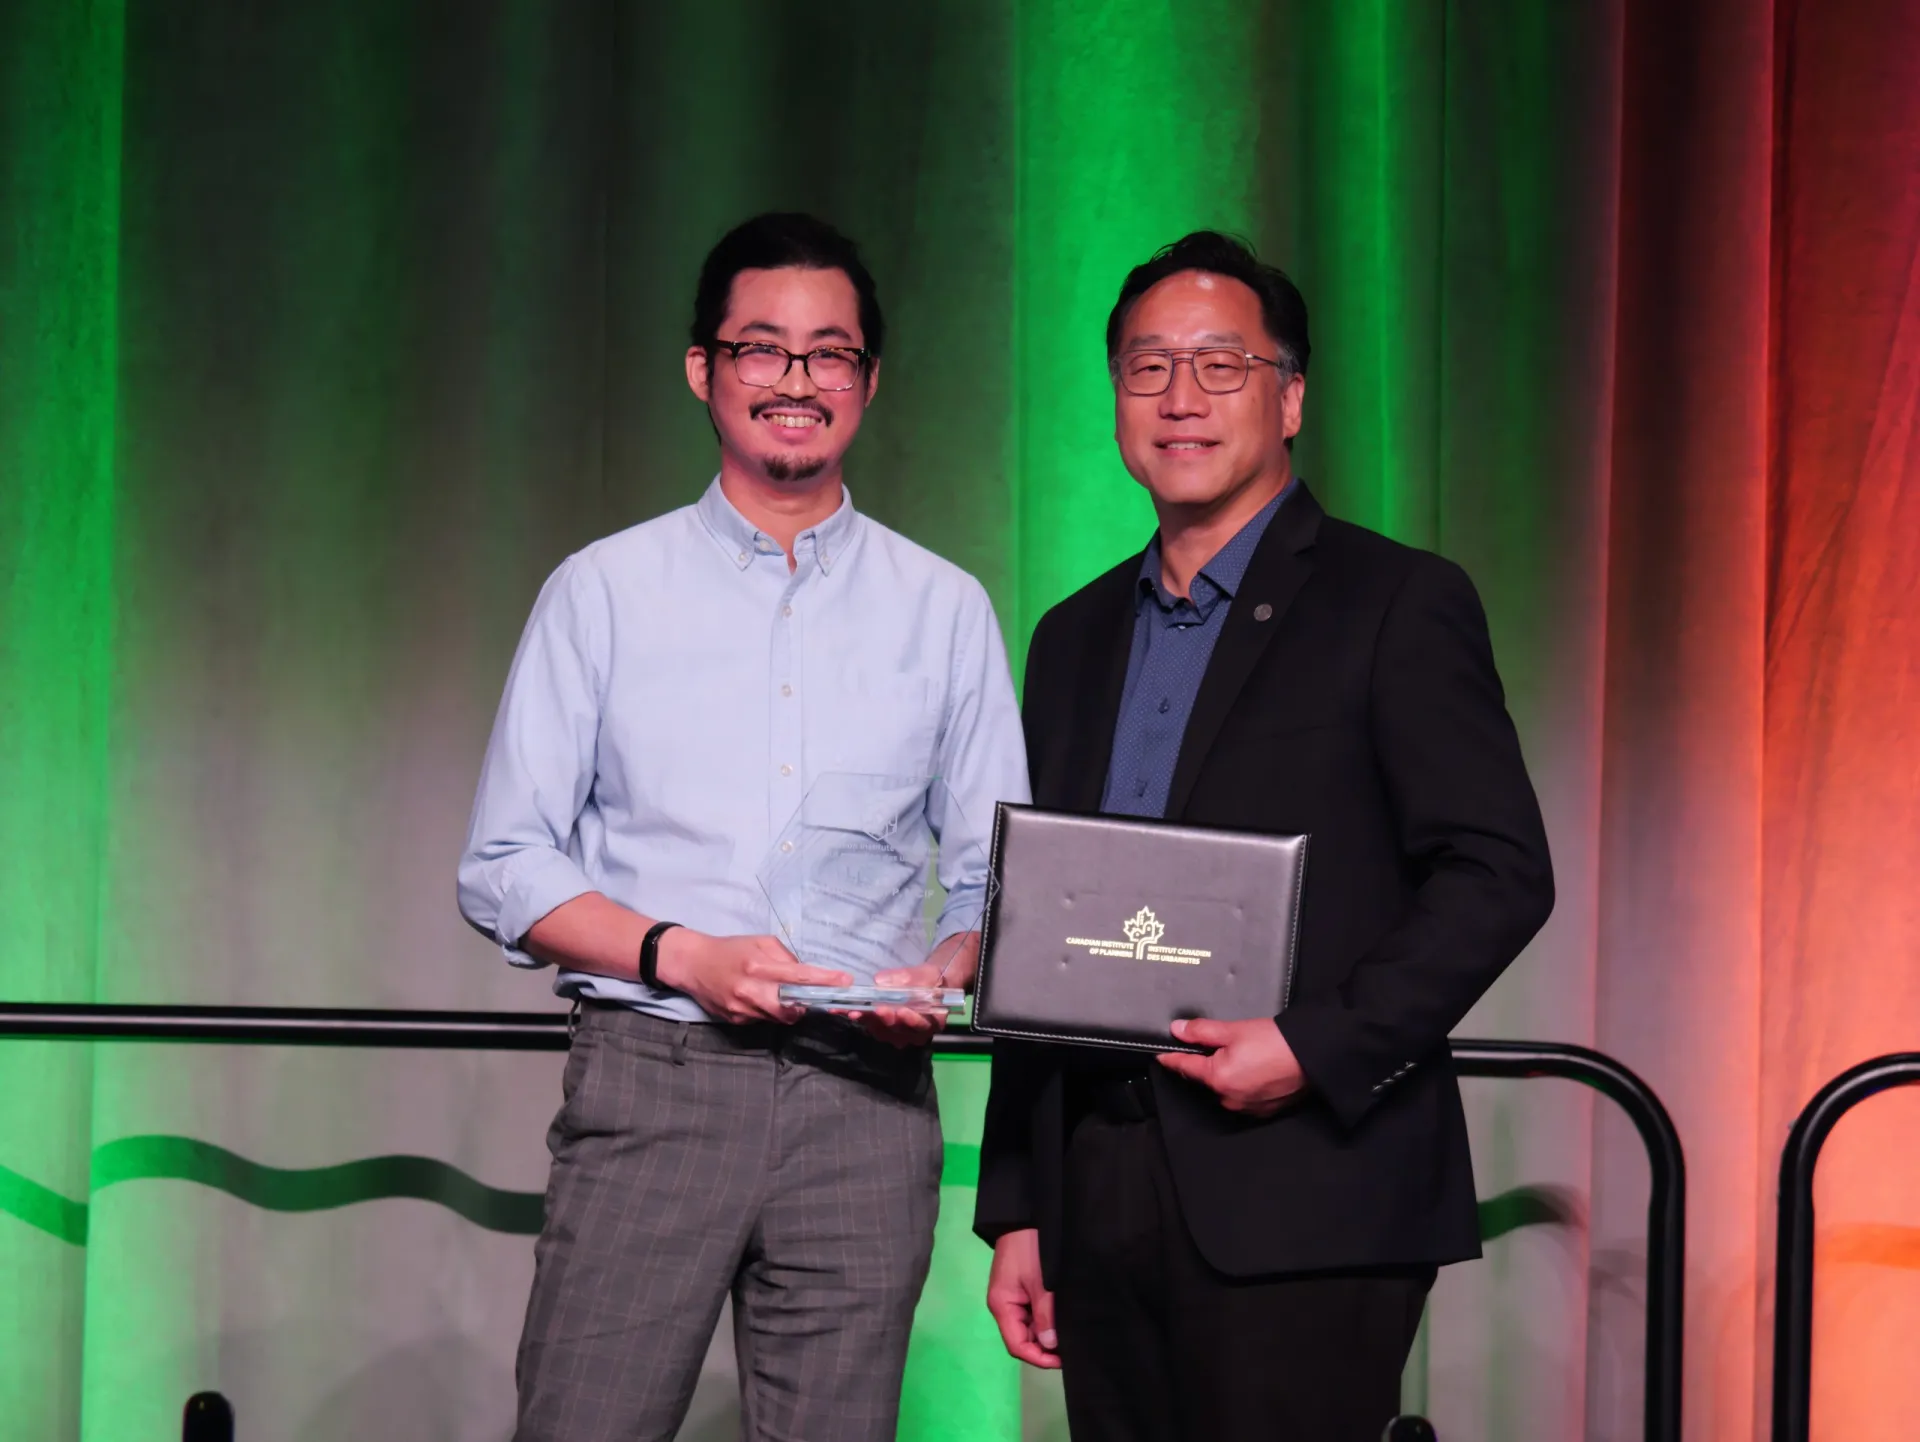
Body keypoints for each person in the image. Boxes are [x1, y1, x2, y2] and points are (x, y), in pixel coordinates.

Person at [458, 211, 1028, 1442]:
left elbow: (997, 872)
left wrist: (943, 967)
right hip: (656, 1078)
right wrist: (684, 955)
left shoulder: (945, 607)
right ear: (703, 370)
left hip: (868, 1099)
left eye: (830, 354)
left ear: (868, 382)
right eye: (761, 349)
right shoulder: (604, 591)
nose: (796, 380)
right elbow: (505, 865)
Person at [975, 232, 1554, 1442]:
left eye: (1221, 364)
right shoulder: (1071, 636)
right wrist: (1020, 1202)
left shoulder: (1396, 599)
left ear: (1290, 396)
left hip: (1307, 1177)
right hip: (1100, 1182)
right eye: (1147, 368)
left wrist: (1313, 1044)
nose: (1180, 397)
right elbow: (1044, 920)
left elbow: (1498, 871)